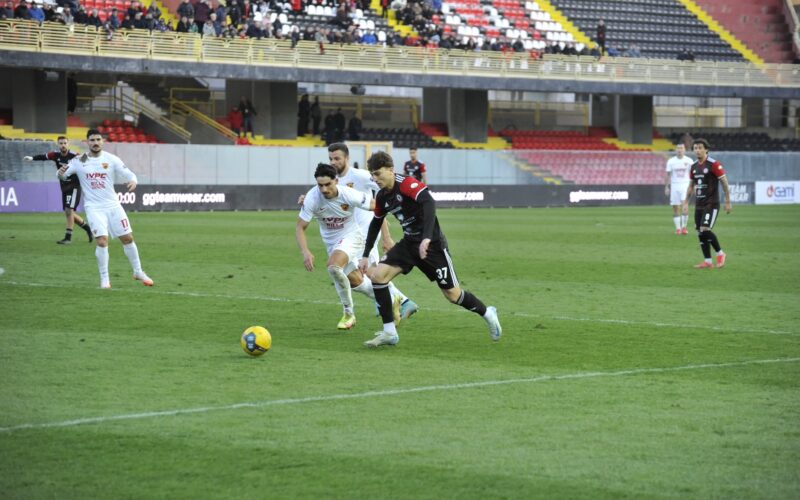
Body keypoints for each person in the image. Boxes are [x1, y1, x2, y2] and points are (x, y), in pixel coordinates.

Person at [358, 151, 501, 348]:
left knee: (453, 295)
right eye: (372, 175)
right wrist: (365, 255)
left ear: (391, 170)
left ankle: (487, 313)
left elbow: (429, 202)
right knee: (378, 277)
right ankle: (389, 332)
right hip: (409, 245)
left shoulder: (406, 183)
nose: (375, 178)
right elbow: (376, 222)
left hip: (433, 246)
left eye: (378, 173)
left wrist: (426, 238)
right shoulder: (382, 196)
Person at [296, 163, 393, 330]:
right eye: (320, 185)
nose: (324, 189)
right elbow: (300, 227)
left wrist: (387, 227)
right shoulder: (312, 198)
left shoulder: (348, 194)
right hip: (332, 243)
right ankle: (393, 298)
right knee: (356, 281)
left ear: (336, 180)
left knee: (333, 267)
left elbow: (377, 205)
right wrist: (306, 252)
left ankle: (348, 313)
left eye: (328, 184)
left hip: (353, 237)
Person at [57, 129, 154, 288]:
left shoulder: (112, 159)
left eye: (98, 140)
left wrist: (133, 181)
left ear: (102, 141)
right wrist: (60, 174)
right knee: (102, 241)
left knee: (128, 238)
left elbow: (129, 174)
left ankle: (138, 271)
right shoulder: (79, 160)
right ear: (87, 142)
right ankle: (105, 279)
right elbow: (62, 175)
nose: (95, 143)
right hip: (94, 208)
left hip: (114, 206)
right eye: (92, 140)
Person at [24, 136, 94, 245]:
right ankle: (88, 228)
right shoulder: (56, 155)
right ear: (58, 144)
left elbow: (86, 162)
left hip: (74, 186)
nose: (63, 145)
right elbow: (44, 157)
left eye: (65, 143)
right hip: (64, 186)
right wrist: (32, 158)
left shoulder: (74, 155)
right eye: (61, 143)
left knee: (69, 211)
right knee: (69, 212)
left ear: (68, 143)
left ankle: (68, 237)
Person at [682, 138, 731, 269]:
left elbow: (724, 182)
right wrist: (686, 202)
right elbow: (691, 186)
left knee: (705, 228)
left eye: (700, 148)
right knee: (700, 232)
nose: (697, 150)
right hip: (699, 204)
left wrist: (727, 200)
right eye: (695, 148)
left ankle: (720, 253)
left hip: (712, 203)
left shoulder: (714, 164)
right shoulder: (693, 167)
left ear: (706, 149)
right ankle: (708, 261)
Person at [664, 142, 693, 235]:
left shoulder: (689, 161)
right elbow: (668, 175)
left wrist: (694, 186)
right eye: (678, 148)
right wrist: (666, 187)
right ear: (676, 150)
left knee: (685, 206)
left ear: (684, 150)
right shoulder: (671, 161)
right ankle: (678, 229)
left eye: (681, 148)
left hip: (686, 185)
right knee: (676, 208)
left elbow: (693, 175)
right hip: (675, 186)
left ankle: (684, 227)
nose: (680, 150)